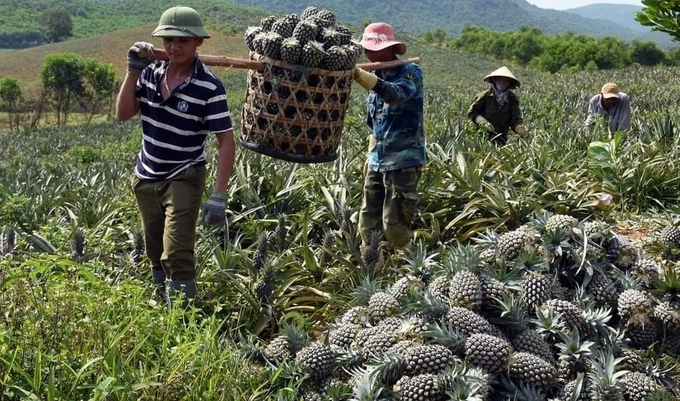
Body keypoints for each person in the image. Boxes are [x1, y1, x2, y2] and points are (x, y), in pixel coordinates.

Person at [115, 6, 235, 309]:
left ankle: (183, 318)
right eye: (168, 39)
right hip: (146, 175)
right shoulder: (151, 73)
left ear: (198, 42)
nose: (173, 46)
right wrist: (132, 71)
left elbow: (226, 141)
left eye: (183, 40)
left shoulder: (209, 86)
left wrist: (219, 194)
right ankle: (160, 303)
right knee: (154, 248)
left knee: (176, 250)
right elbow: (123, 113)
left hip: (183, 174)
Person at [352, 22, 425, 253]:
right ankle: (373, 266)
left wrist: (362, 77)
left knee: (394, 225)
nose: (369, 53)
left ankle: (410, 271)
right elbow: (372, 123)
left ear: (389, 48)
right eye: (367, 48)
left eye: (374, 48)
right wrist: (371, 152)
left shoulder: (410, 72)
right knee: (368, 221)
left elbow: (396, 95)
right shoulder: (374, 73)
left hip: (403, 161)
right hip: (378, 160)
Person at [467, 66, 526, 146]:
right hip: (482, 138)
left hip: (501, 140)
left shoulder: (512, 99)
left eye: (505, 81)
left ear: (509, 83)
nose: (501, 83)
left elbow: (515, 119)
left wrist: (519, 128)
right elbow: (472, 112)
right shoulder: (485, 96)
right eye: (499, 79)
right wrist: (482, 122)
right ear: (494, 80)